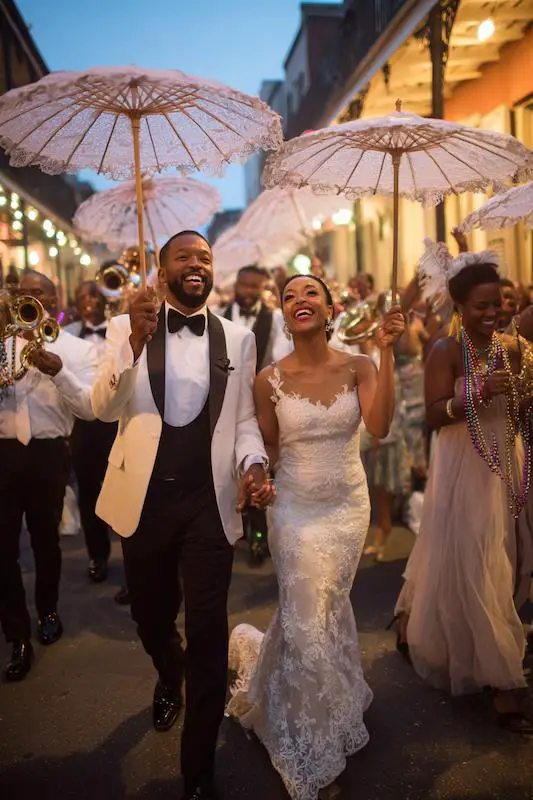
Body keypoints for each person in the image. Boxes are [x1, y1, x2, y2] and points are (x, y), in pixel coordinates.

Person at [91, 230, 274, 800]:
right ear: (162, 270)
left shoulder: (238, 339)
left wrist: (253, 462)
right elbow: (103, 408)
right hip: (143, 499)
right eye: (185, 258)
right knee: (149, 615)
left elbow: (244, 420)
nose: (197, 265)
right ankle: (170, 670)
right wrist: (134, 347)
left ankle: (198, 772)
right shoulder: (126, 328)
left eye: (205, 258)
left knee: (208, 626)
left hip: (207, 503)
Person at [227, 274, 405, 800]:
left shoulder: (360, 366)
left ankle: (310, 692)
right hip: (295, 513)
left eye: (311, 293)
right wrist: (256, 479)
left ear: (331, 308)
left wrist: (387, 353)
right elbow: (271, 450)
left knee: (322, 609)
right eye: (289, 296)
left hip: (347, 508)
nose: (300, 300)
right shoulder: (268, 380)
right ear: (283, 313)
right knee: (306, 618)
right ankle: (314, 755)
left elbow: (380, 426)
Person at [394, 239, 533, 733]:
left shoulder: (515, 348)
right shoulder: (444, 351)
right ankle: (506, 688)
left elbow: (520, 411)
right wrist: (475, 393)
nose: (494, 312)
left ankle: (420, 620)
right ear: (459, 307)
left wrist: (515, 392)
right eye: (483, 306)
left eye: (499, 303)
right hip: (462, 465)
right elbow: (432, 417)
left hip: (505, 463)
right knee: (479, 562)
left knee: (507, 560)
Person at [0, 269, 96, 682]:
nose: (30, 301)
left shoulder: (77, 349)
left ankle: (48, 610)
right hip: (3, 453)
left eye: (38, 294)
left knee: (45, 542)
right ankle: (16, 635)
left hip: (48, 453)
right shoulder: (3, 346)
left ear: (55, 301)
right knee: (2, 549)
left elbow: (90, 409)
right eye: (22, 295)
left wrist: (59, 370)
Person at [222, 265, 291, 563]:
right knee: (227, 465)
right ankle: (234, 529)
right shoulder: (218, 318)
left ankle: (258, 538)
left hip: (260, 403)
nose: (249, 291)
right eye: (245, 285)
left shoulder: (273, 319)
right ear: (236, 284)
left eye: (255, 286)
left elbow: (281, 357)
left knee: (258, 465)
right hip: (225, 403)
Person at [65, 281, 118, 584]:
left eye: (95, 294)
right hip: (83, 425)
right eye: (83, 295)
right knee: (89, 493)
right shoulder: (68, 335)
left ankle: (134, 559)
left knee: (126, 488)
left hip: (117, 423)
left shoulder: (120, 330)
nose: (90, 300)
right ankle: (97, 555)